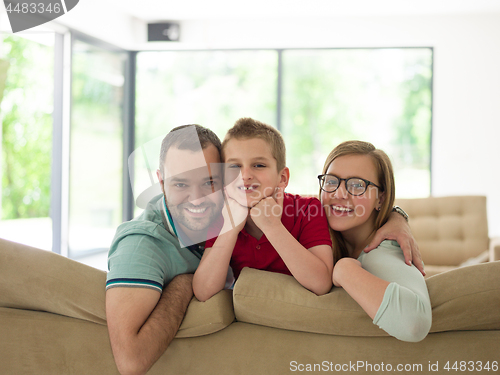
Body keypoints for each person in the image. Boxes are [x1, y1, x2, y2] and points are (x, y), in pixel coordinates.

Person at [193, 118, 423, 302]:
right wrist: (230, 230)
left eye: (259, 165)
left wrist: (272, 226)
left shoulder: (309, 209)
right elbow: (204, 292)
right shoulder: (221, 217)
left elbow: (321, 282)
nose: (245, 175)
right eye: (234, 166)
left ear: (282, 178)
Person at [106, 124, 227, 375]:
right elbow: (131, 361)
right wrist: (185, 285)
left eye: (209, 182)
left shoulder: (233, 213)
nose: (196, 197)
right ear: (161, 182)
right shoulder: (140, 245)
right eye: (181, 184)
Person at [318, 140, 432, 342]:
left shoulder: (382, 253)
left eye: (356, 185)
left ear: (381, 198)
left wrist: (345, 270)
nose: (339, 194)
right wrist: (398, 215)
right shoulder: (316, 229)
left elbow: (415, 324)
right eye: (331, 181)